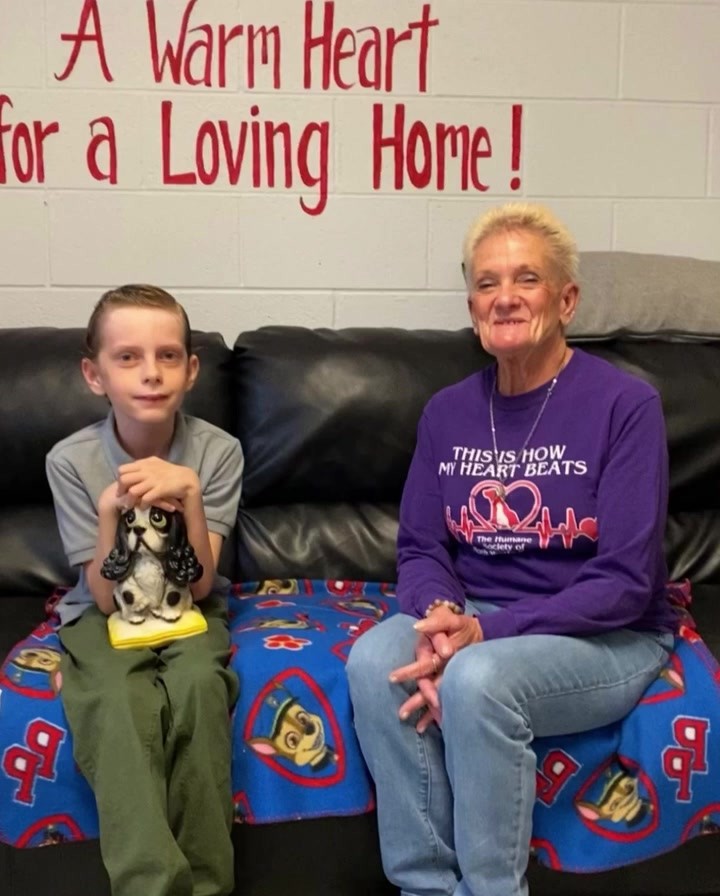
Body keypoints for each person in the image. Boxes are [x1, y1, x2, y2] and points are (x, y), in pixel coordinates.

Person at [346, 203, 678, 896]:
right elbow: (419, 546)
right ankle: (427, 888)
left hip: (607, 633)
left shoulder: (626, 405)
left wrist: (480, 634)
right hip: (478, 611)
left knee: (477, 680)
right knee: (377, 657)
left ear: (566, 299)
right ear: (472, 307)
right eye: (488, 282)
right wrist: (441, 616)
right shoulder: (447, 411)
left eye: (526, 278)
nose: (505, 296)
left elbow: (625, 580)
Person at [46, 285, 244, 896]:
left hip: (190, 605)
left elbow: (202, 581)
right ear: (94, 374)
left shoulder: (218, 453)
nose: (150, 374)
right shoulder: (70, 460)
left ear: (190, 370)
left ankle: (209, 883)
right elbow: (105, 601)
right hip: (104, 612)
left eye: (166, 357)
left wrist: (187, 496)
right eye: (127, 357)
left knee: (197, 688)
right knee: (112, 699)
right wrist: (111, 514)